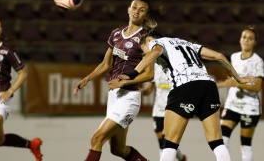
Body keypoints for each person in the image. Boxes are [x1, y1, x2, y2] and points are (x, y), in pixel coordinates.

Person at [108, 31, 256, 161]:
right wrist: (239, 78)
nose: (144, 54)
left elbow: (154, 52)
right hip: (208, 86)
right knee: (217, 141)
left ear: (148, 41)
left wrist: (132, 74)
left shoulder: (156, 42)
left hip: (185, 87)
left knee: (170, 142)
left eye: (142, 50)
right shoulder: (188, 44)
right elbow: (219, 55)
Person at [74, 0, 162, 161]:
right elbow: (106, 64)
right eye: (134, 7)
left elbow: (149, 74)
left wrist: (126, 81)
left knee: (96, 139)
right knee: (118, 150)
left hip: (129, 97)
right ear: (128, 9)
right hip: (114, 97)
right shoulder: (116, 33)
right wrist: (87, 78)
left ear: (146, 16)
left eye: (141, 10)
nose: (136, 11)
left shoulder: (145, 38)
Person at [0, 17, 43, 161]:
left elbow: (23, 73)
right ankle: (32, 145)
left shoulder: (7, 51)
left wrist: (10, 91)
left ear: (1, 30)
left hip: (0, 100)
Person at [216, 25, 263, 161]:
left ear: (255, 42)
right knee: (222, 139)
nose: (246, 40)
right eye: (244, 37)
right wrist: (217, 85)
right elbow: (230, 81)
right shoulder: (235, 57)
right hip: (232, 105)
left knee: (245, 144)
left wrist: (237, 84)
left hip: (249, 107)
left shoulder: (257, 62)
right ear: (240, 40)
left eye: (250, 38)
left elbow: (257, 87)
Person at [141, 63, 187, 161]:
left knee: (166, 138)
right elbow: (149, 89)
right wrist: (142, 91)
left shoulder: (177, 65)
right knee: (161, 141)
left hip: (172, 108)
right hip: (158, 109)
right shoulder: (155, 66)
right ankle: (181, 158)